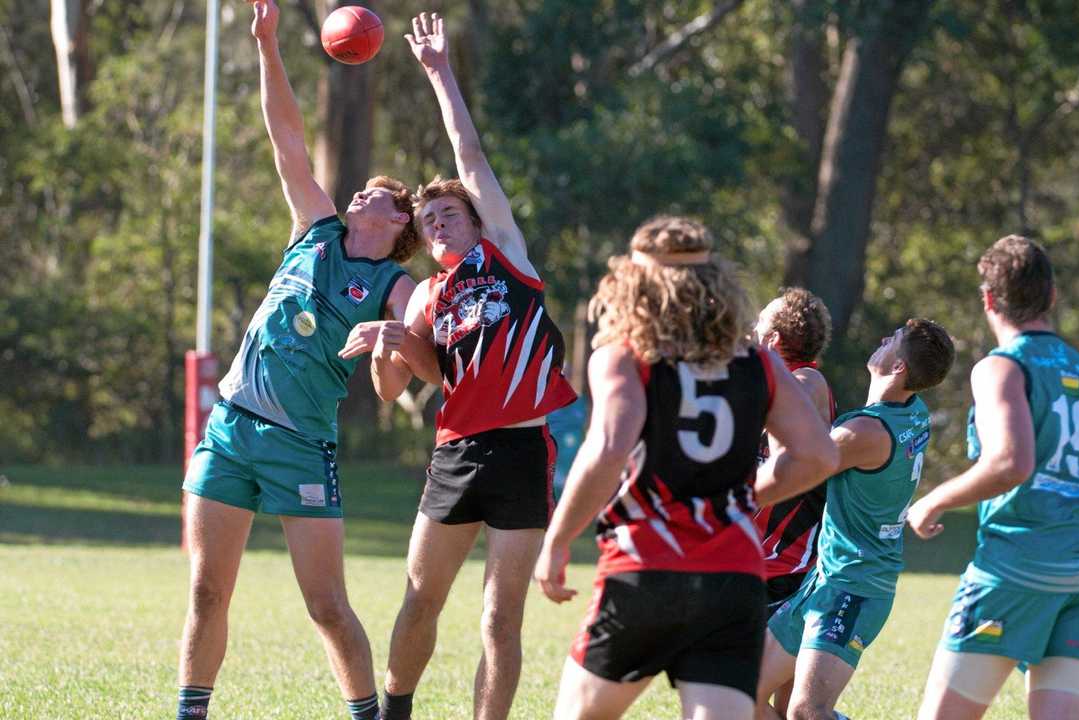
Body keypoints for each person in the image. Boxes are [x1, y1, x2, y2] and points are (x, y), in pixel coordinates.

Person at [175, 2, 418, 719]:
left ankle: (368, 714)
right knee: (206, 591)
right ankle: (191, 712)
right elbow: (284, 135)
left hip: (302, 447)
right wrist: (268, 45)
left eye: (376, 191)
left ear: (398, 219)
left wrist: (394, 342)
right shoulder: (314, 230)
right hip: (231, 429)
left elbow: (419, 352)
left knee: (326, 607)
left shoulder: (394, 284)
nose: (360, 190)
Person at [344, 12, 579, 720]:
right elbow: (394, 388)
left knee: (499, 621)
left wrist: (439, 70)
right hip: (454, 453)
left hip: (519, 452)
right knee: (421, 600)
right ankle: (396, 709)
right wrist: (391, 342)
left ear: (478, 222)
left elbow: (470, 157)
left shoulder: (505, 254)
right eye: (430, 218)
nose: (437, 222)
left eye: (448, 213)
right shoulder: (427, 296)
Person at [533, 215, 840, 720]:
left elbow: (609, 446)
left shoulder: (623, 356)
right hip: (734, 578)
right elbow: (818, 456)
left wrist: (558, 539)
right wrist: (748, 498)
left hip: (646, 568)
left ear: (634, 285)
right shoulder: (758, 363)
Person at [907, 235, 1079, 720]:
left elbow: (1009, 463)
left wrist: (932, 500)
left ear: (989, 299)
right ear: (1052, 297)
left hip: (1016, 572)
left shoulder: (1001, 368)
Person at [755, 319, 956, 720]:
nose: (884, 338)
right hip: (824, 581)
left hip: (853, 587)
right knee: (741, 693)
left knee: (807, 712)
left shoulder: (861, 432)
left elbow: (793, 469)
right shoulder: (914, 413)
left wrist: (773, 386)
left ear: (899, 368)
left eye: (893, 340)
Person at [752, 288, 838, 610]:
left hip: (781, 562)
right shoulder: (781, 382)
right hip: (753, 559)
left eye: (759, 322)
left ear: (772, 339)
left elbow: (782, 454)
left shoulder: (805, 381)